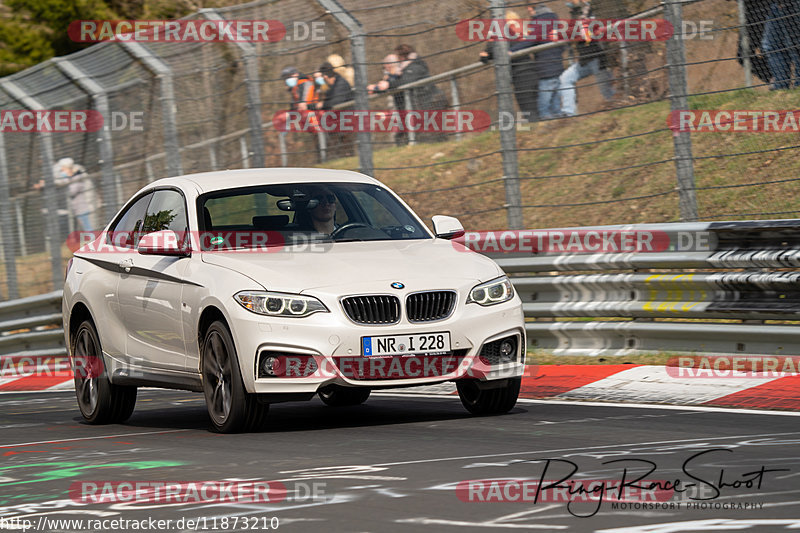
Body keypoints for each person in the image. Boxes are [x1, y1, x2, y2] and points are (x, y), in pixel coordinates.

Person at [479, 10, 540, 122]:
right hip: (532, 71)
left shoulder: (503, 33)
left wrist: (486, 54)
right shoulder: (521, 35)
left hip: (521, 75)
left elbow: (492, 49)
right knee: (538, 109)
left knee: (529, 111)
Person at [558, 0, 615, 116]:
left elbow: (592, 28)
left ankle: (618, 108)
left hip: (598, 58)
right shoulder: (575, 13)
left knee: (607, 92)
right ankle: (569, 112)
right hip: (584, 60)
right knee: (565, 78)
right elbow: (569, 32)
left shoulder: (595, 8)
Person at [34, 157, 95, 231]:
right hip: (78, 209)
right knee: (84, 228)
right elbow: (60, 181)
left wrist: (65, 187)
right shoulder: (71, 177)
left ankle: (96, 241)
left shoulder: (78, 176)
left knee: (88, 228)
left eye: (63, 169)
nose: (62, 171)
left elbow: (71, 191)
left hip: (85, 207)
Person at [527, 4, 565, 119]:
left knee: (544, 106)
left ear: (533, 8)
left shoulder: (538, 22)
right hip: (557, 66)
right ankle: (557, 124)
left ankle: (547, 124)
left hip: (545, 69)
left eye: (529, 9)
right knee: (556, 104)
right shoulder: (555, 19)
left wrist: (511, 50)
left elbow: (530, 41)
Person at [762, 0, 800, 89]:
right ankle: (780, 87)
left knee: (794, 45)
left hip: (791, 5)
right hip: (775, 6)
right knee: (772, 46)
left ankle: (798, 86)